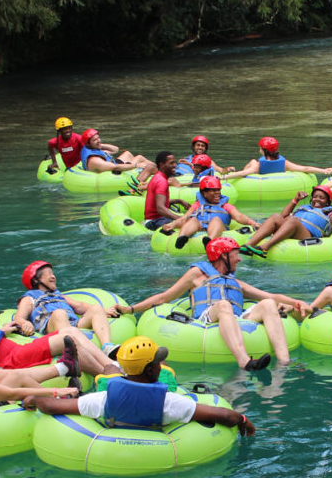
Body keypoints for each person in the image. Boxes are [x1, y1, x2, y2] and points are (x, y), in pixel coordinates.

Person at [116, 238, 312, 370]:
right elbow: (163, 298)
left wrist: (297, 302)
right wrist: (131, 309)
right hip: (206, 318)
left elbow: (271, 295)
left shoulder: (234, 281)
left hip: (235, 318)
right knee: (224, 304)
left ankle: (284, 363)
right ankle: (244, 361)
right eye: (236, 255)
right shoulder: (196, 275)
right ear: (223, 256)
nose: (240, 259)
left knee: (268, 303)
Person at [22, 336, 255, 436]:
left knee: (108, 372)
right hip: (161, 433)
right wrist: (243, 421)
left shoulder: (102, 400)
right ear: (153, 370)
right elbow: (224, 415)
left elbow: (53, 407)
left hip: (110, 425)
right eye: (157, 362)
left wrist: (34, 400)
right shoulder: (170, 402)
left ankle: (106, 363)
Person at [238, 185, 332, 258]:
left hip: (308, 236)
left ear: (328, 201)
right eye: (315, 196)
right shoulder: (304, 207)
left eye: (321, 197)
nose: (317, 199)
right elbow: (283, 216)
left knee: (293, 221)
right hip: (292, 227)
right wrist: (295, 200)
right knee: (275, 217)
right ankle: (249, 245)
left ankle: (265, 247)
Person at [15, 261, 121, 358]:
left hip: (72, 323)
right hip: (50, 325)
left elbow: (78, 306)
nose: (53, 276)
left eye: (53, 273)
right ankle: (76, 353)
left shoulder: (58, 295)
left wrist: (104, 310)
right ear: (36, 280)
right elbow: (19, 317)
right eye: (48, 274)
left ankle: (107, 346)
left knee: (97, 308)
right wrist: (24, 323)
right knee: (60, 313)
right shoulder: (29, 298)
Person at [0, 319, 116, 376]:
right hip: (12, 362)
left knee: (71, 331)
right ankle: (108, 377)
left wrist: (1, 331)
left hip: (18, 350)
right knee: (68, 339)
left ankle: (113, 366)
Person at [162, 176, 259, 249]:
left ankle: (210, 240)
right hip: (200, 228)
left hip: (218, 228)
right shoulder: (198, 204)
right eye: (213, 190)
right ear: (204, 193)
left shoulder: (225, 205)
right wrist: (173, 224)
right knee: (193, 220)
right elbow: (185, 217)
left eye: (218, 190)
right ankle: (182, 237)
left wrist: (252, 222)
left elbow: (239, 216)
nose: (217, 193)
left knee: (216, 219)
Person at [0, 367, 79, 415]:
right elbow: (13, 394)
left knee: (0, 374)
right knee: (18, 378)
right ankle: (59, 401)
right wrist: (56, 391)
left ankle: (64, 367)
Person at [221, 137, 332, 179]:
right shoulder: (284, 163)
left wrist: (223, 178)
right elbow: (305, 169)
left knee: (252, 161)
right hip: (279, 183)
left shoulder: (257, 164)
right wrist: (324, 171)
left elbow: (242, 174)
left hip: (256, 183)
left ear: (263, 150)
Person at [80, 128, 156, 184]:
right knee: (142, 160)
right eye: (95, 140)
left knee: (128, 154)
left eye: (98, 138)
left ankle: (157, 169)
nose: (99, 140)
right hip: (113, 171)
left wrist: (100, 145)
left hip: (111, 164)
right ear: (88, 143)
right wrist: (136, 165)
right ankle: (159, 172)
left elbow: (115, 149)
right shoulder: (94, 159)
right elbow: (114, 167)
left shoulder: (92, 147)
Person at [144, 151, 190, 231]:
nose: (175, 165)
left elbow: (157, 201)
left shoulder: (157, 177)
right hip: (156, 222)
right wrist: (180, 219)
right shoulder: (162, 181)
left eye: (174, 163)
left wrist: (178, 201)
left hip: (153, 220)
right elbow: (160, 208)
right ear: (162, 165)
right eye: (171, 163)